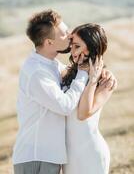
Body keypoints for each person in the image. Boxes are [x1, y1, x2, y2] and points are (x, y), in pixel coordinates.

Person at [12, 10, 90, 174]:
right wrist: (83, 73)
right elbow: (65, 106)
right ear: (49, 43)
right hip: (36, 157)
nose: (70, 35)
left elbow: (72, 79)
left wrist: (102, 75)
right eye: (63, 34)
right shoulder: (37, 72)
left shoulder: (51, 65)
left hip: (48, 155)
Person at [62, 23, 117, 174]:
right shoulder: (66, 73)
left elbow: (83, 114)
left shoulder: (105, 81)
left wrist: (92, 80)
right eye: (71, 46)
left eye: (77, 46)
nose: (72, 52)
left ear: (91, 47)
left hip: (91, 154)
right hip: (69, 157)